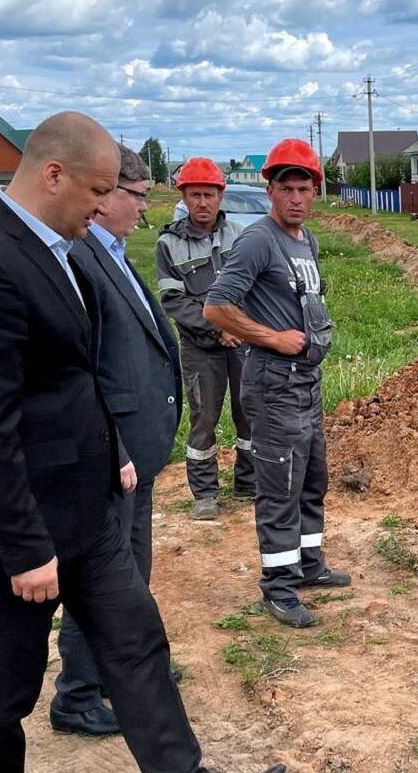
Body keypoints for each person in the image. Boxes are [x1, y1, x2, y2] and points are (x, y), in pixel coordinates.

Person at [0, 111, 285, 773]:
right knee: (5, 682)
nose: (103, 208)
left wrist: (113, 449)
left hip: (86, 505)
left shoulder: (56, 248)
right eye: (95, 192)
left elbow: (74, 378)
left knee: (135, 642)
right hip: (19, 527)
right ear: (52, 174)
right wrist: (27, 549)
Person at [48, 144, 182, 736]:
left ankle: (124, 674)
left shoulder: (114, 254)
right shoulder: (80, 261)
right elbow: (80, 371)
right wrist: (118, 448)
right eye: (137, 195)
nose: (143, 208)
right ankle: (77, 695)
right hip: (113, 456)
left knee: (130, 574)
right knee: (104, 578)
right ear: (104, 197)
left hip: (136, 450)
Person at [204, 138, 350, 628]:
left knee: (312, 480)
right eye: (285, 188)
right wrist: (273, 338)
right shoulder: (258, 239)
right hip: (274, 383)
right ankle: (279, 587)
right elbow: (216, 307)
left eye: (304, 188)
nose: (295, 198)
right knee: (279, 487)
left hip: (306, 383)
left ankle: (309, 566)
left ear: (315, 191)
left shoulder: (305, 240)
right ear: (269, 191)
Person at [157, 157, 252, 520]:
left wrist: (238, 328)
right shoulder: (169, 244)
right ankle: (205, 494)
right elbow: (174, 300)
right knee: (203, 419)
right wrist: (218, 327)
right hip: (200, 348)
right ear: (184, 196)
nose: (203, 202)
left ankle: (248, 480)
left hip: (241, 341)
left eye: (209, 194)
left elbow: (253, 286)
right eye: (195, 194)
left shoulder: (240, 236)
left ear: (220, 196)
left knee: (250, 413)